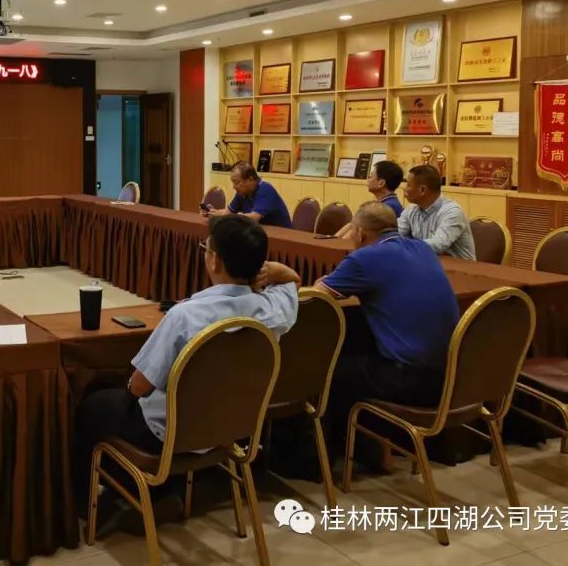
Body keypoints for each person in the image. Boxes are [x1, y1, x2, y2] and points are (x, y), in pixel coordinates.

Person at [74, 216, 300, 500]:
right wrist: (273, 270)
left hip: (170, 433)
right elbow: (294, 282)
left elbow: (140, 386)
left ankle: (125, 492)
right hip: (235, 426)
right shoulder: (272, 309)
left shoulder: (184, 316)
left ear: (214, 261)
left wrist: (127, 385)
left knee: (92, 406)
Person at [316, 202, 459, 450]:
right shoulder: (423, 249)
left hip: (410, 379)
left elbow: (317, 296)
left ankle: (332, 454)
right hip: (450, 375)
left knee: (326, 371)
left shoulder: (365, 257)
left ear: (359, 234)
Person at [398, 164, 476, 260]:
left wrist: (403, 244)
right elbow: (394, 234)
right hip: (428, 263)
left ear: (422, 190)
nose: (405, 189)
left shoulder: (452, 212)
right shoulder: (411, 209)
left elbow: (438, 245)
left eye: (408, 185)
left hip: (461, 268)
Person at [204, 162, 292, 229]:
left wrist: (230, 217)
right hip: (260, 234)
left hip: (282, 237)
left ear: (250, 179)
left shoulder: (265, 189)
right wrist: (212, 212)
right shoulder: (241, 193)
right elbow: (227, 213)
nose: (234, 186)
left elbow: (253, 218)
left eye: (237, 182)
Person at [335, 160, 404, 238]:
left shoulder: (387, 207)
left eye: (370, 176)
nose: (367, 179)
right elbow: (353, 225)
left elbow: (356, 232)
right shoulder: (388, 202)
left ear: (381, 183)